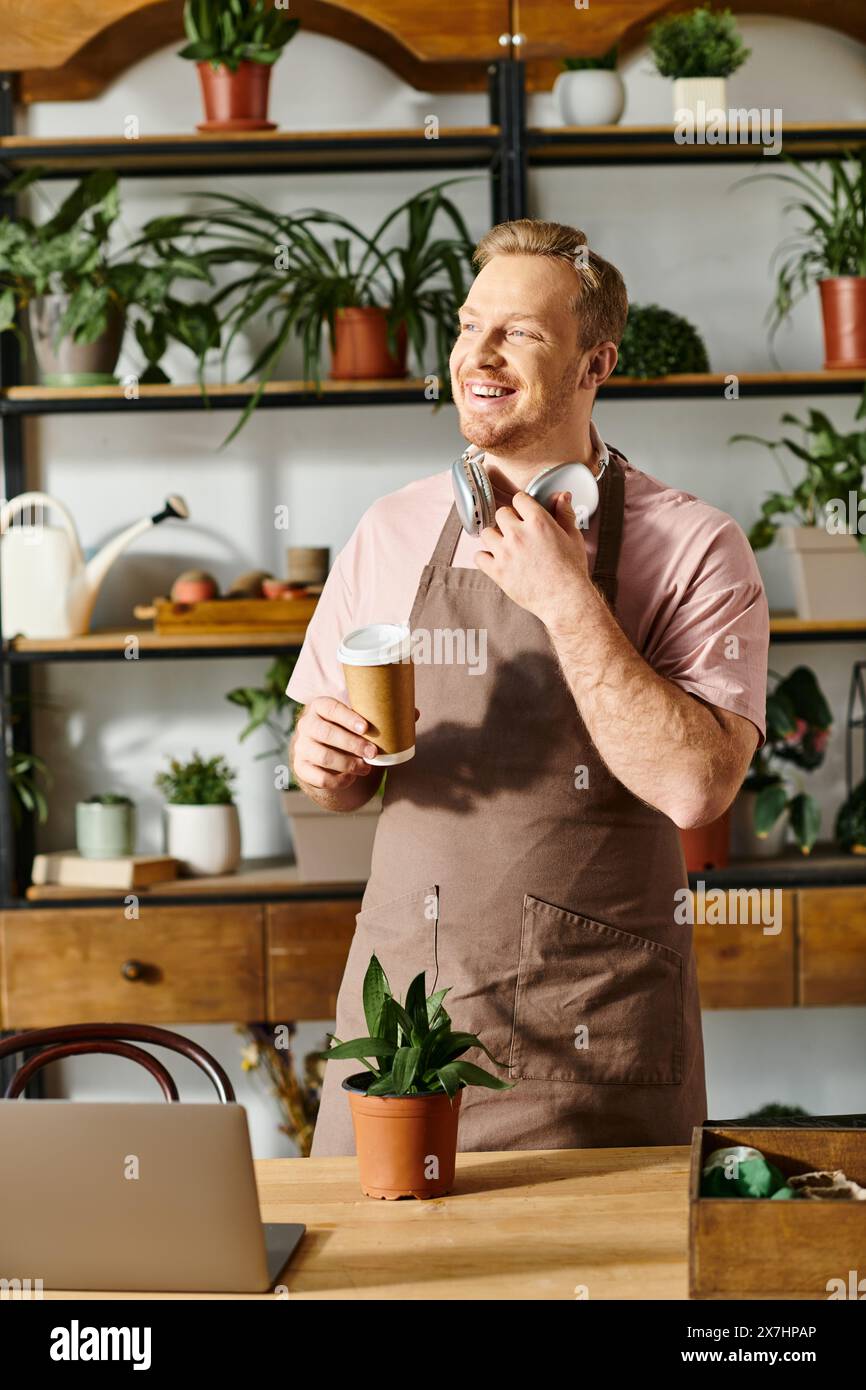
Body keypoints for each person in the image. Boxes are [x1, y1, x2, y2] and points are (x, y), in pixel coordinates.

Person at [287, 218, 769, 1156]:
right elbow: (331, 763)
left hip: (590, 1033)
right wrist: (321, 760)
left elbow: (696, 787)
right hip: (400, 1034)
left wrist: (568, 598)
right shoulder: (390, 527)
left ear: (596, 364)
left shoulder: (696, 546)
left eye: (523, 332)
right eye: (471, 326)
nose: (481, 352)